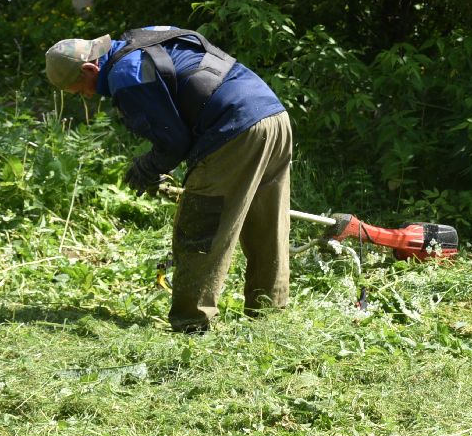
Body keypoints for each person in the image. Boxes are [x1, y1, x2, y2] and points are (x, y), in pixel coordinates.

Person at [45, 27, 292, 333]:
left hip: (234, 127)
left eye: (79, 88)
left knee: (202, 224)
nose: (85, 95)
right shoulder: (145, 38)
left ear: (88, 68)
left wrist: (147, 167)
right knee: (267, 220)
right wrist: (161, 165)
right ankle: (269, 313)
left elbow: (173, 141)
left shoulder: (125, 74)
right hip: (272, 114)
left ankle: (191, 323)